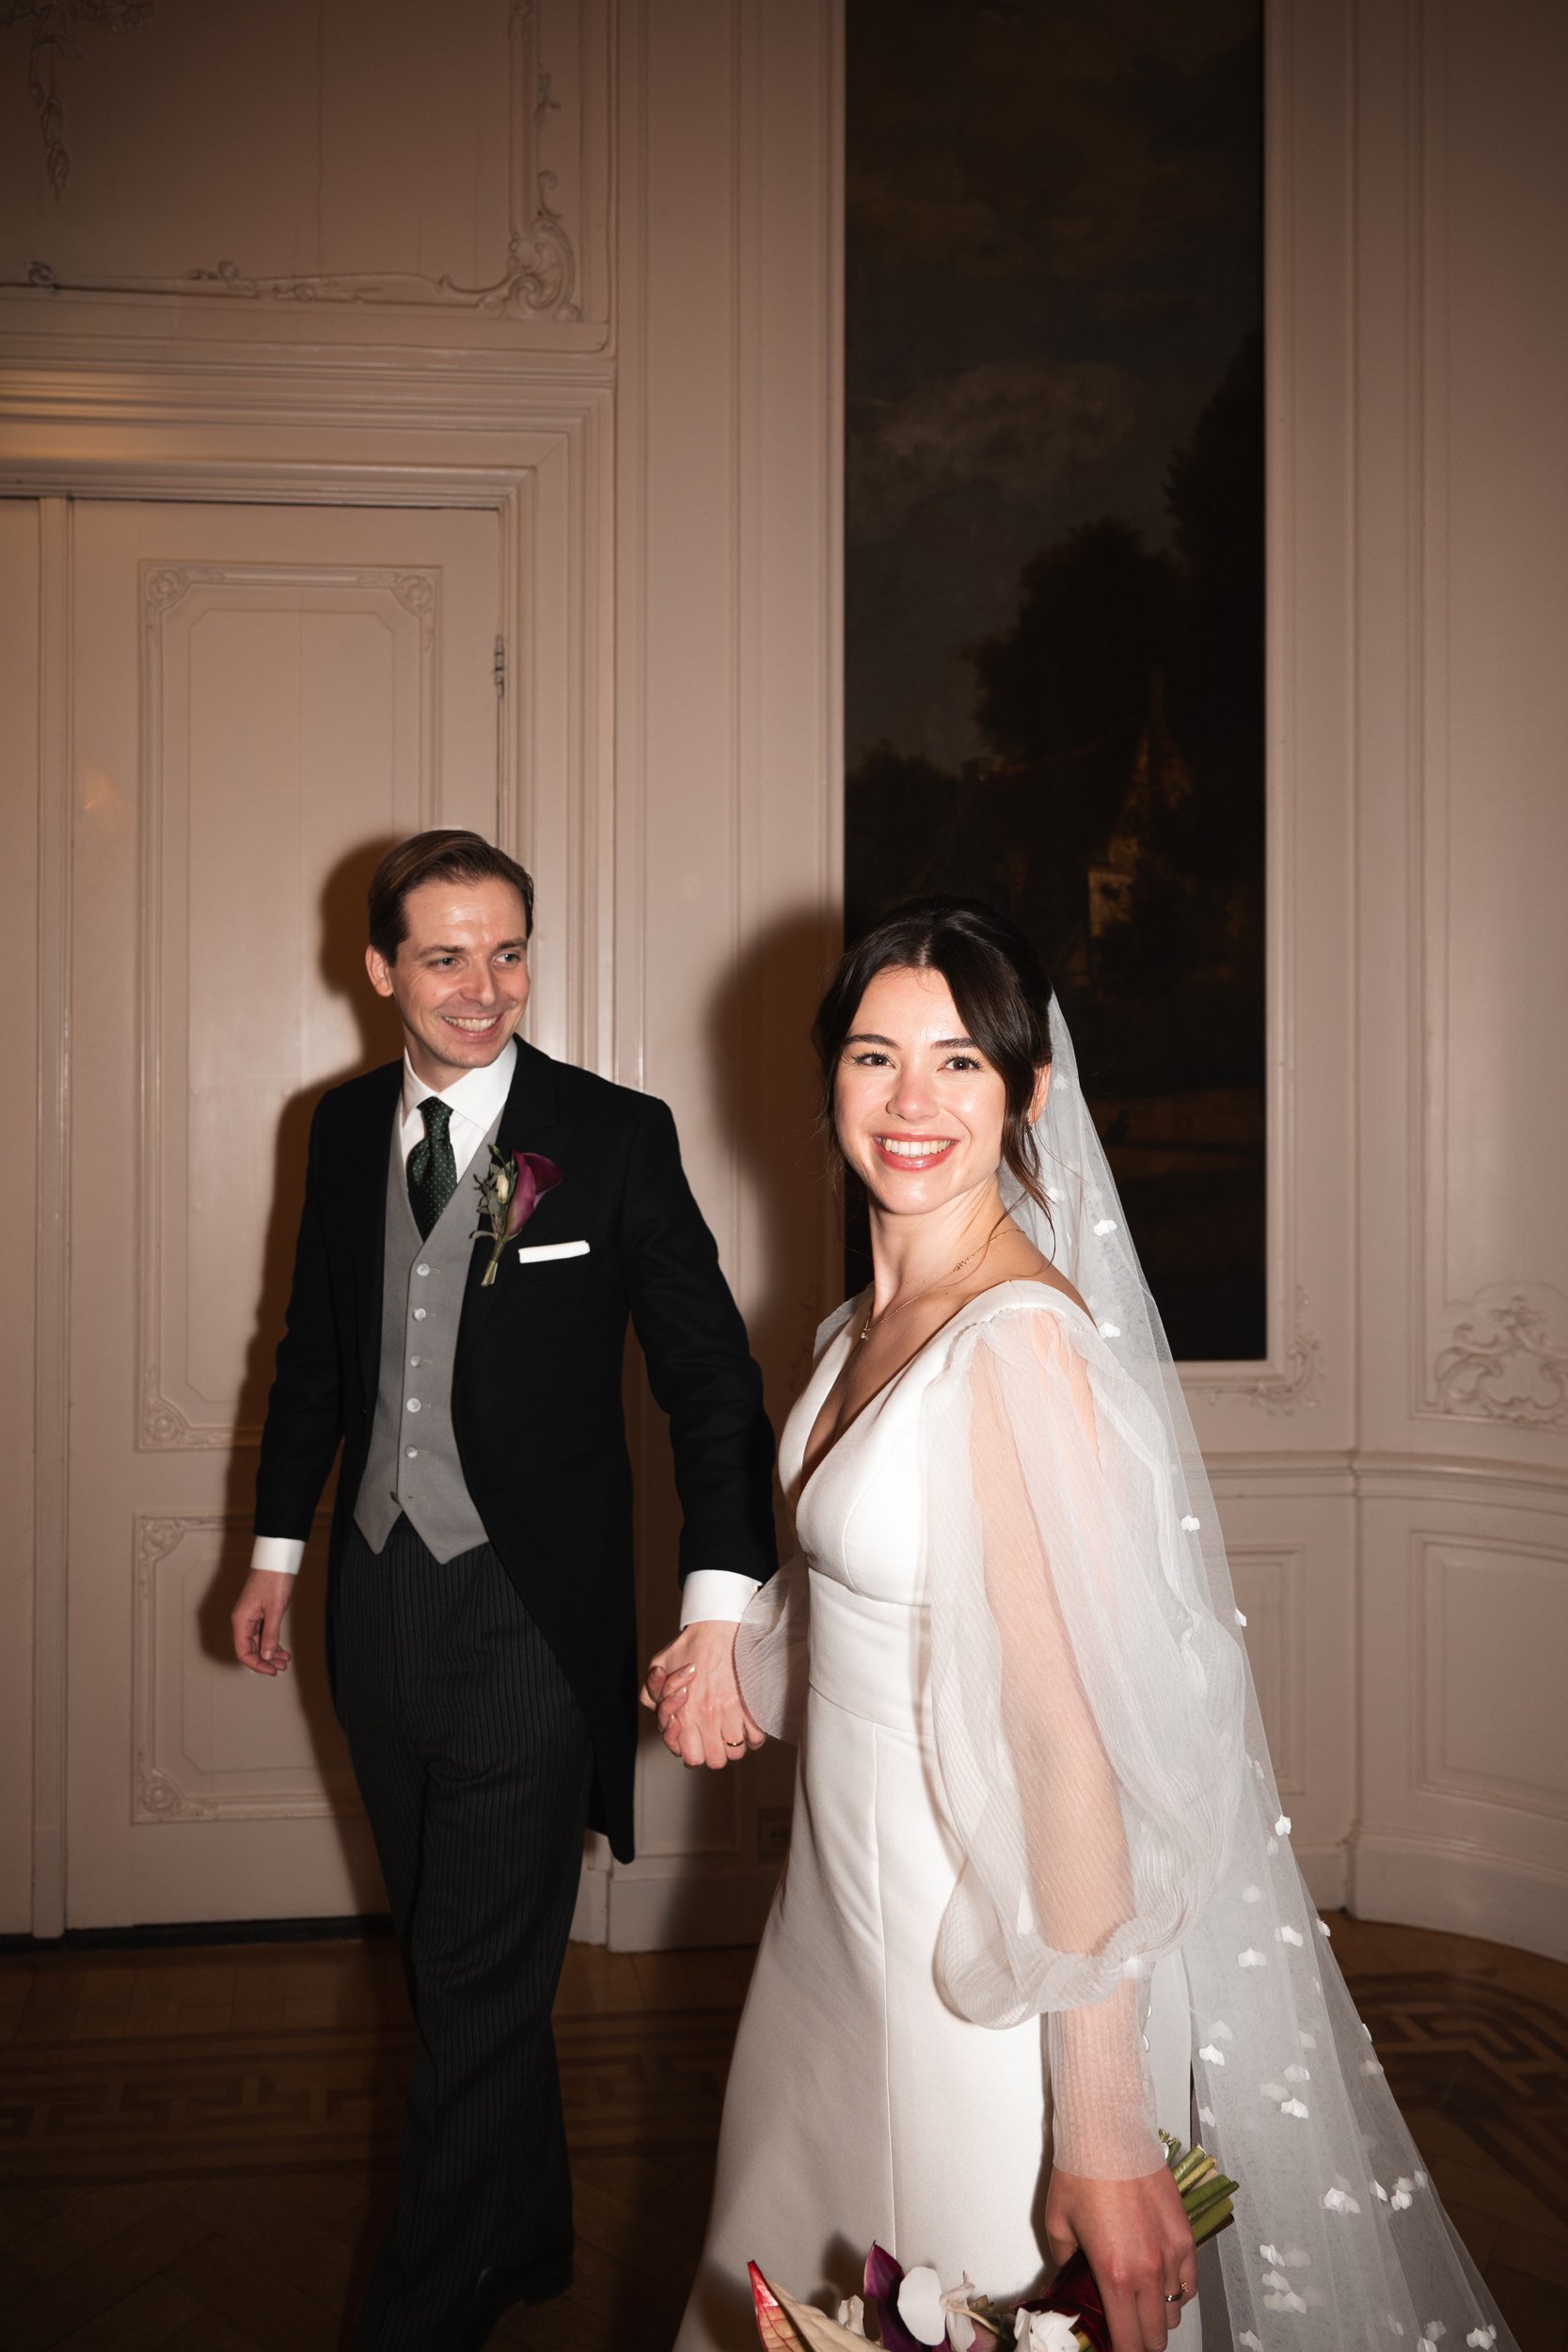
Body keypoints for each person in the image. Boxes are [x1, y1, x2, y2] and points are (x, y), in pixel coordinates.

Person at [655, 898, 1519, 2352]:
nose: (911, 1102)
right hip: (831, 1944)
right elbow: (878, 1615)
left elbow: (1073, 1751)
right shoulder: (855, 1328)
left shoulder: (1019, 1350)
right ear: (829, 1077)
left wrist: (1105, 2126)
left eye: (960, 1063)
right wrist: (733, 1661)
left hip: (983, 1973)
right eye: (874, 1057)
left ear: (1029, 1091)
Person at [230, 830, 777, 2352]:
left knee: (473, 1988)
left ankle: (421, 2311)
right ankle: (526, 2232)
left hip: (534, 1624)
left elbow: (713, 1383)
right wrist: (276, 1553)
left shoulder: (612, 1135)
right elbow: (316, 1354)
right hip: (375, 1606)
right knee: (452, 1958)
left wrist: (719, 1604)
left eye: (510, 952)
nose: (485, 988)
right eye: (447, 956)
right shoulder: (342, 1129)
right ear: (379, 969)